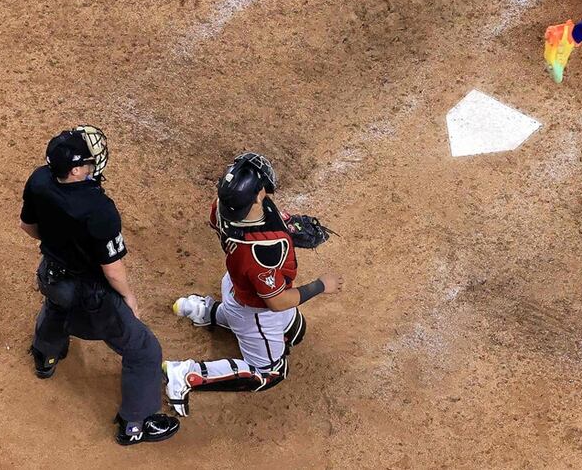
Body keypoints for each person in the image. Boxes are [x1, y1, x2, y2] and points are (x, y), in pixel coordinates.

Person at [22, 125, 179, 445]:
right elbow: (112, 269)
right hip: (90, 296)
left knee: (56, 309)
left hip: (51, 275)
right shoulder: (99, 209)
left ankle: (45, 357)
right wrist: (129, 298)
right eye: (88, 162)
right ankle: (136, 423)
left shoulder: (39, 179)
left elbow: (27, 226)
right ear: (77, 170)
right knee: (144, 349)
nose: (93, 164)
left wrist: (58, 244)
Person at [163, 152, 342, 416]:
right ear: (256, 196)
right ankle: (186, 375)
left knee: (295, 330)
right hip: (256, 309)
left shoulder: (223, 207)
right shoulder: (261, 252)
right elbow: (278, 301)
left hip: (236, 287)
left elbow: (259, 217)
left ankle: (206, 311)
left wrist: (287, 227)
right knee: (271, 372)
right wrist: (320, 286)